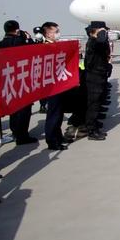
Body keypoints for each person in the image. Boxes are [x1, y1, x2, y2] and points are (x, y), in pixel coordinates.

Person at [0, 20, 38, 145]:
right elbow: (35, 50)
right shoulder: (21, 41)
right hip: (22, 78)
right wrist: (28, 39)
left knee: (13, 107)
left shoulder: (1, 44)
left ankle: (15, 131)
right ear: (17, 30)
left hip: (8, 80)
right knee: (24, 108)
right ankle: (22, 136)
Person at [40, 22, 73, 150]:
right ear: (48, 34)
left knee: (59, 113)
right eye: (56, 31)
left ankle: (58, 136)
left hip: (59, 84)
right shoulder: (45, 47)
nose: (58, 33)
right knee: (53, 114)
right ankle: (52, 141)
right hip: (52, 86)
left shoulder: (55, 45)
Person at [84, 21, 110, 141]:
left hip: (99, 74)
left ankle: (94, 125)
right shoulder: (94, 42)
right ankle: (91, 130)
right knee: (93, 104)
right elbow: (101, 40)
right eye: (103, 30)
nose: (105, 32)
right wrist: (101, 32)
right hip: (94, 76)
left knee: (97, 102)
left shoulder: (96, 42)